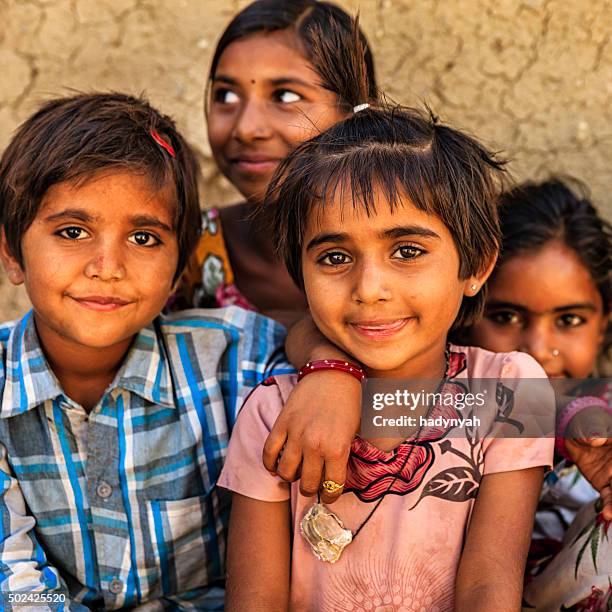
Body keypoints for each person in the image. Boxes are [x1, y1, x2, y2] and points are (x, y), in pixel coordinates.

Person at [0, 92, 357, 609]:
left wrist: (331, 372)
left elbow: (308, 338)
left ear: (179, 262)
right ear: (12, 251)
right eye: (73, 232)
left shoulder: (230, 361)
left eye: (144, 238)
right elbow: (15, 586)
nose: (107, 266)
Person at [218, 103, 554, 610]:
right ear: (300, 276)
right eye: (335, 257)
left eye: (407, 251)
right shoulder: (272, 415)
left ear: (477, 265)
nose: (369, 289)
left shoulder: (507, 391)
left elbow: (489, 586)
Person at [173, 0, 378, 326]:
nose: (246, 129)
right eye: (226, 95)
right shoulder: (182, 251)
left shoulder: (411, 252)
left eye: (284, 96)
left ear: (356, 111)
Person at [464, 178, 612, 611]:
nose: (536, 348)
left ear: (603, 324)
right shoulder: (436, 411)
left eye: (568, 320)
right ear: (465, 315)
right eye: (506, 315)